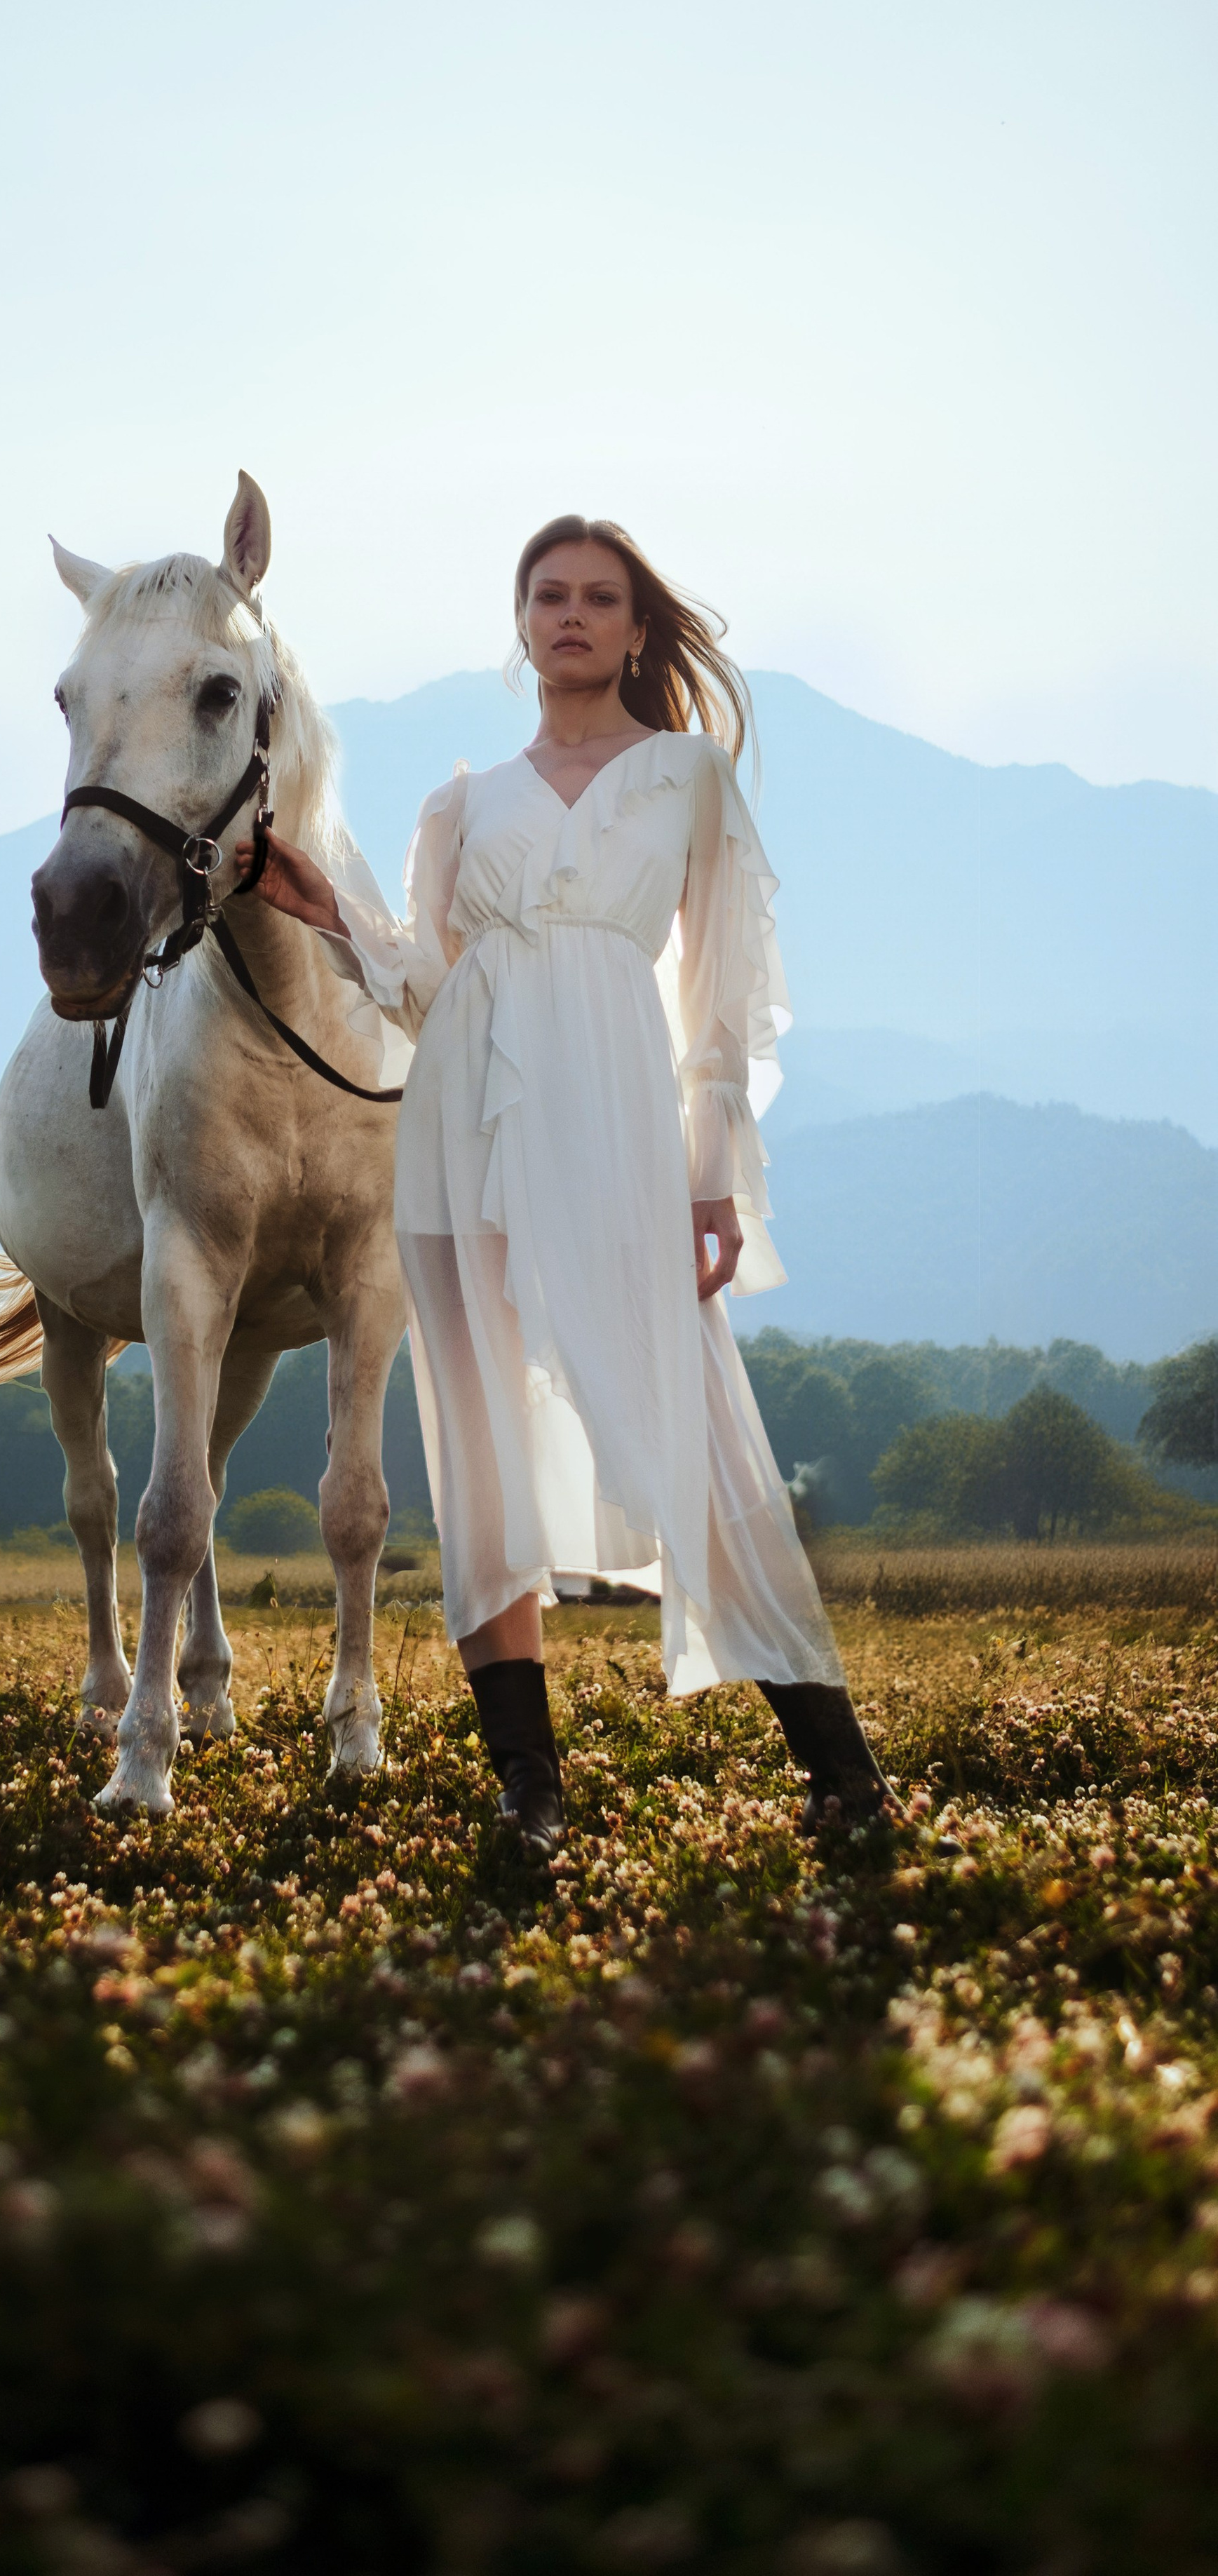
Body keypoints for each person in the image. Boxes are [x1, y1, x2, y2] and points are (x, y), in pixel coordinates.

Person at [237, 516, 890, 1847]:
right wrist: (327, 914)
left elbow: (724, 998)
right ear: (521, 622)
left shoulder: (687, 777)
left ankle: (843, 1774)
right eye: (551, 597)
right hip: (463, 1124)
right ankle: (528, 1793)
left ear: (638, 630)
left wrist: (715, 1181)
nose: (574, 616)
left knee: (691, 1424)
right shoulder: (463, 804)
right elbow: (427, 983)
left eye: (601, 598)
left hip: (614, 1119)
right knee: (475, 1443)